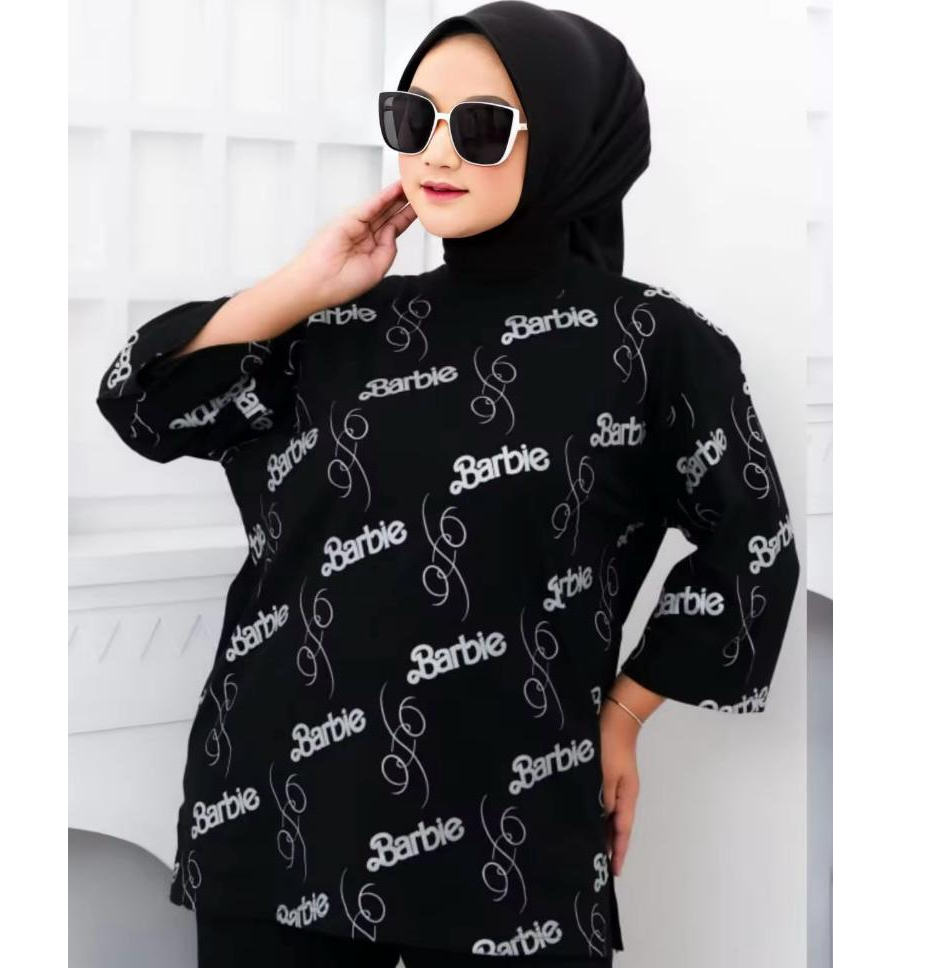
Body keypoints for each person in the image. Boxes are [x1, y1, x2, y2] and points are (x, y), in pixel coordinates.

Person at [94, 2, 801, 965]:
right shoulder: (336, 325)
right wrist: (306, 282)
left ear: (571, 141)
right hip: (276, 820)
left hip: (514, 834)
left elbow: (752, 547)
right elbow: (140, 403)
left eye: (479, 126)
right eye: (413, 117)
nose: (436, 151)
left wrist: (627, 712)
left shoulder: (651, 345)